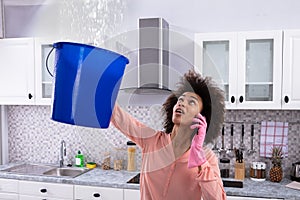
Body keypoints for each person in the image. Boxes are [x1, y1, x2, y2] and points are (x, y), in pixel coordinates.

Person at [111, 69, 226, 200]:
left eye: (191, 102)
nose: (182, 103)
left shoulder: (206, 157)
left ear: (202, 118)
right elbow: (118, 117)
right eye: (180, 100)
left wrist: (200, 161)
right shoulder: (151, 141)